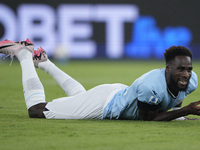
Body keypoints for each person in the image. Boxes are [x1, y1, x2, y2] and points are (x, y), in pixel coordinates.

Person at [0, 39, 200, 121]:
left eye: (189, 69)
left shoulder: (192, 81)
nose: (186, 74)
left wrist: (181, 114)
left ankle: (44, 62)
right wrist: (187, 111)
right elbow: (150, 119)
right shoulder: (151, 86)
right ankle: (24, 54)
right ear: (167, 69)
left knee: (80, 98)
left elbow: (171, 104)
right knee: (36, 110)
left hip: (117, 93)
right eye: (180, 69)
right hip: (104, 104)